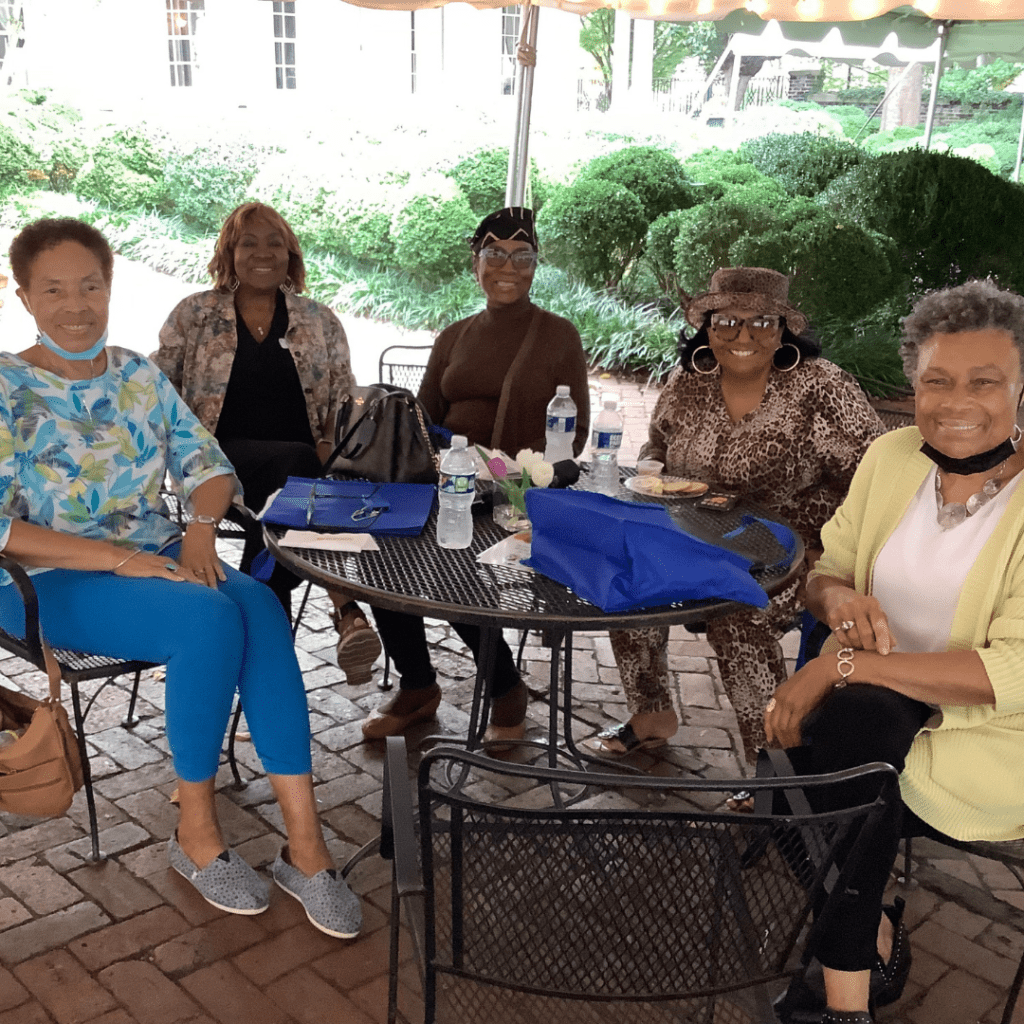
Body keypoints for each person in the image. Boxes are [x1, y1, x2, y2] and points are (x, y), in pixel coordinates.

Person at [0, 217, 360, 938]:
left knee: (256, 605)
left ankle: (307, 847)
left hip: (161, 555)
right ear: (23, 295)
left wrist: (199, 530)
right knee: (208, 618)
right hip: (39, 580)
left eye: (91, 286)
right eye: (55, 290)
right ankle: (195, 831)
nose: (77, 306)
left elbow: (210, 468)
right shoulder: (7, 387)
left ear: (109, 287)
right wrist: (123, 559)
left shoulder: (136, 374)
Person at [768, 279, 1024, 1023]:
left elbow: (1011, 672)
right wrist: (839, 600)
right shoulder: (892, 457)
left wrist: (839, 664)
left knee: (848, 756)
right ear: (913, 384)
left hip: (988, 744)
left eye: (986, 381)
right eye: (937, 380)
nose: (956, 401)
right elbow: (828, 569)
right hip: (873, 719)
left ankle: (845, 1002)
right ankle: (872, 935)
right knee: (798, 782)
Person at [589, 267, 883, 764]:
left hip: (791, 551)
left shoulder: (821, 388)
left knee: (738, 614)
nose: (742, 336)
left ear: (783, 330)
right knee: (629, 582)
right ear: (706, 325)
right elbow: (657, 444)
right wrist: (650, 471)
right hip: (693, 534)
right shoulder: (692, 380)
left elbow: (878, 473)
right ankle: (651, 714)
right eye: (725, 321)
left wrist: (827, 548)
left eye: (761, 322)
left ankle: (768, 759)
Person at [361, 206, 590, 743]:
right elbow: (422, 419)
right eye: (493, 254)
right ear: (476, 263)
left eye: (521, 256)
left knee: (455, 559)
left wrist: (518, 471)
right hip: (451, 477)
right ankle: (418, 684)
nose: (506, 267)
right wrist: (440, 462)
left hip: (518, 492)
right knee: (381, 551)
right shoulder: (455, 335)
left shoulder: (557, 335)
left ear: (535, 267)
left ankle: (505, 685)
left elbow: (571, 435)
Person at [155, 202, 381, 684]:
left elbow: (345, 404)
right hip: (214, 470)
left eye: (274, 242)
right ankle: (346, 609)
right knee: (296, 472)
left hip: (303, 474)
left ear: (291, 253)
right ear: (229, 253)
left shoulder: (319, 321)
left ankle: (263, 655)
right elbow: (156, 395)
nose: (263, 253)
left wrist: (328, 446)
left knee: (289, 485)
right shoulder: (194, 315)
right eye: (248, 243)